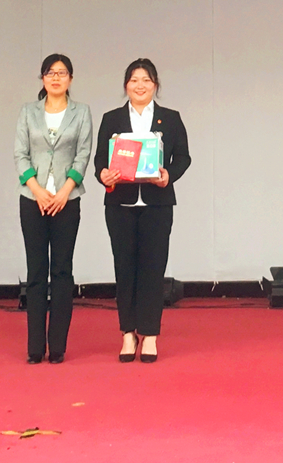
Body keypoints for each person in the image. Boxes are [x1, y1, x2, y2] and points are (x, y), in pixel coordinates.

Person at [94, 58, 191, 363]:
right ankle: (127, 333)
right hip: (120, 206)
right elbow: (100, 160)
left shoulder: (170, 118)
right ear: (126, 85)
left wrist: (168, 175)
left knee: (153, 269)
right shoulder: (111, 119)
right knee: (124, 270)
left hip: (157, 205)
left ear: (155, 85)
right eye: (134, 80)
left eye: (146, 80)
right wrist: (103, 175)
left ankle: (149, 334)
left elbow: (183, 157)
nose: (140, 85)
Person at [14, 53, 93, 365]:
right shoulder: (28, 112)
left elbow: (83, 154)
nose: (56, 78)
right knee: (36, 272)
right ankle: (35, 347)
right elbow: (20, 154)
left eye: (62, 73)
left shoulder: (81, 112)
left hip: (66, 201)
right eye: (50, 73)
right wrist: (37, 190)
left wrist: (63, 192)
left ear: (71, 79)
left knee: (61, 271)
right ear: (42, 78)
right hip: (32, 200)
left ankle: (57, 346)